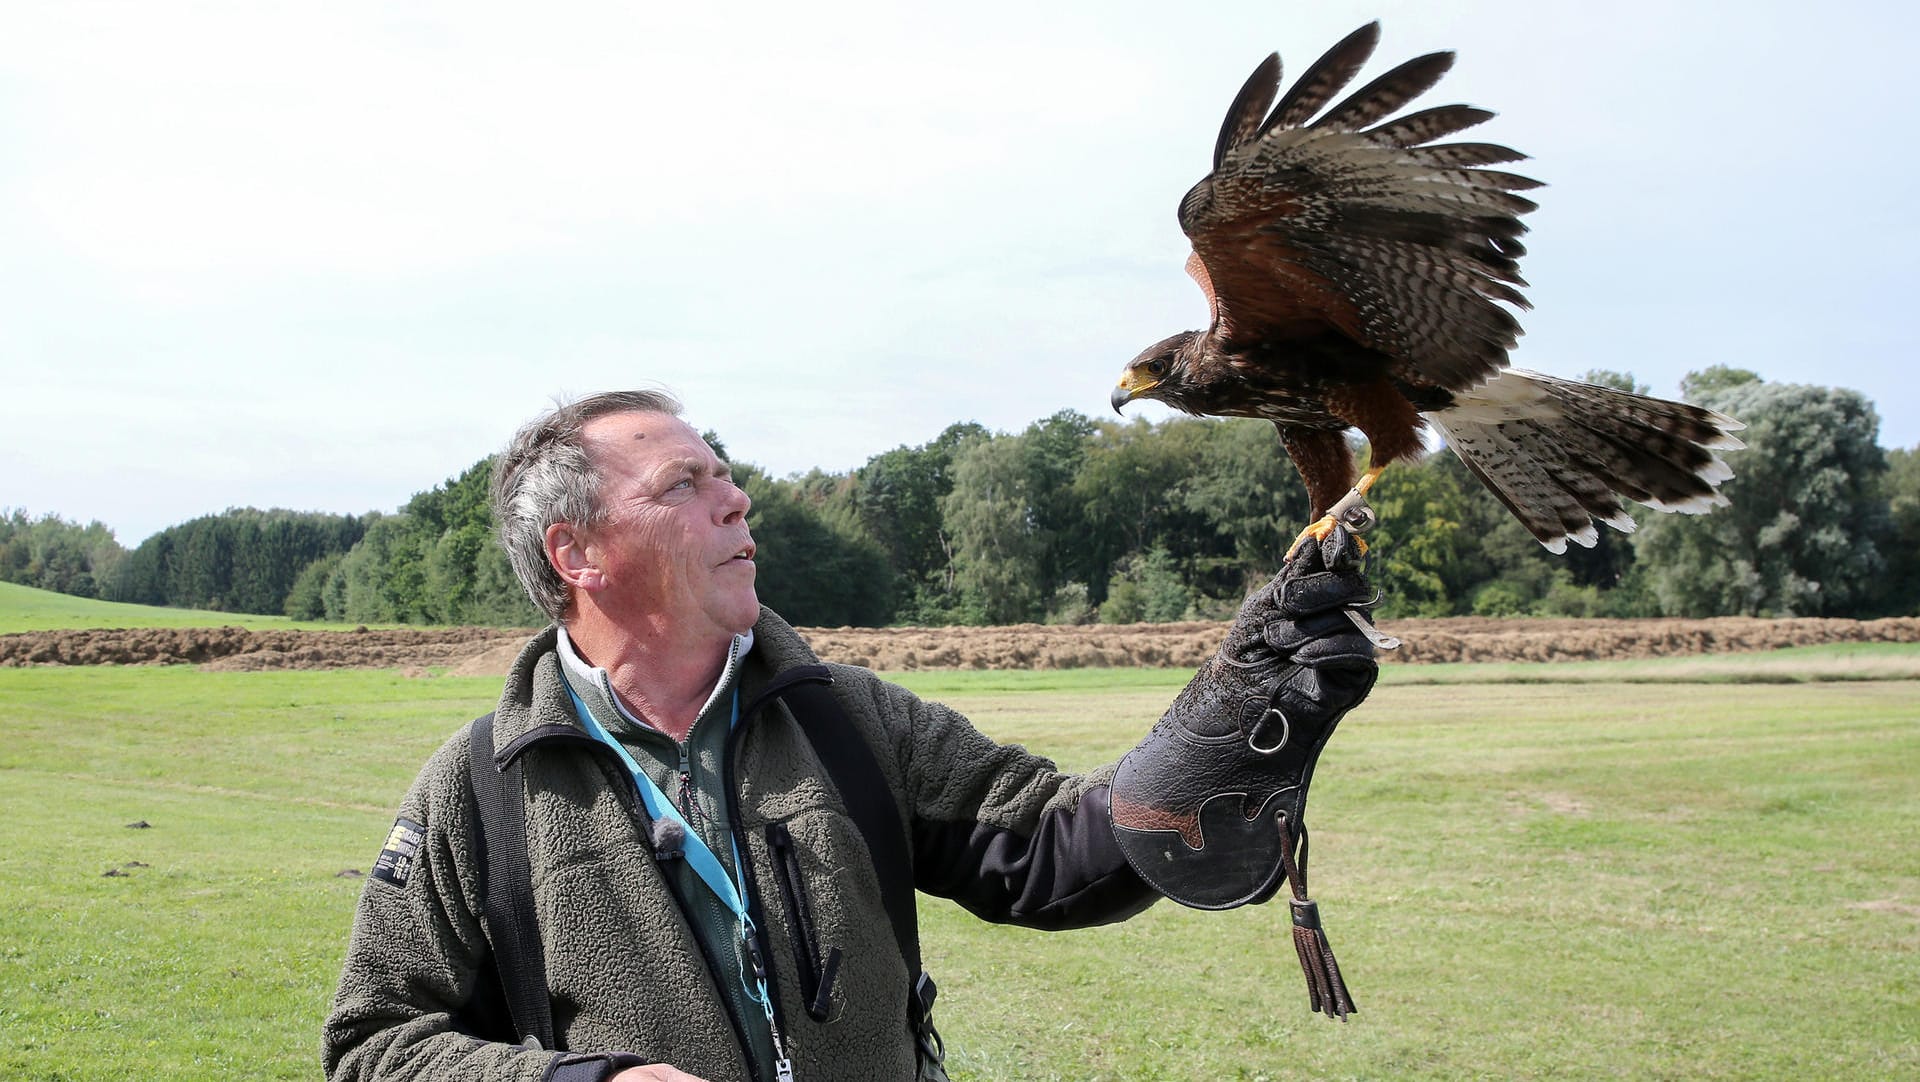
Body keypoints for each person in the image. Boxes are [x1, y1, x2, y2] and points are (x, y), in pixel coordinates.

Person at [322, 389, 1380, 1082]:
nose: (737, 498)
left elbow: (1052, 851)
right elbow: (373, 1043)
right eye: (683, 484)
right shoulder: (479, 791)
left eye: (724, 472)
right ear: (578, 552)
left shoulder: (848, 717)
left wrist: (1232, 718)